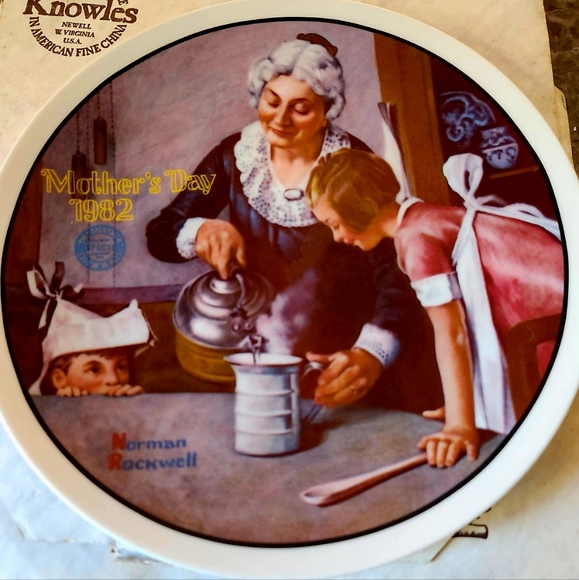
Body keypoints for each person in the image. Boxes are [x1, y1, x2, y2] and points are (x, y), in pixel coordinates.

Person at [146, 34, 438, 408]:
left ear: (327, 111)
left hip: (342, 355)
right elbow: (160, 234)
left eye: (300, 109)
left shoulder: (350, 162)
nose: (281, 119)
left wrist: (371, 353)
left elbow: (396, 272)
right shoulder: (235, 156)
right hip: (260, 353)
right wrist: (201, 229)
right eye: (272, 101)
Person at [305, 148, 564, 467]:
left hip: (550, 314)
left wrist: (459, 426)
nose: (336, 237)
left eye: (335, 224)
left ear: (358, 209)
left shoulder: (414, 239)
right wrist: (464, 408)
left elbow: (453, 333)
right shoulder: (419, 216)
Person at [28, 264, 154, 396]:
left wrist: (138, 403)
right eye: (94, 370)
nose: (114, 380)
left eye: (121, 367)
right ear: (59, 379)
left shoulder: (131, 399)